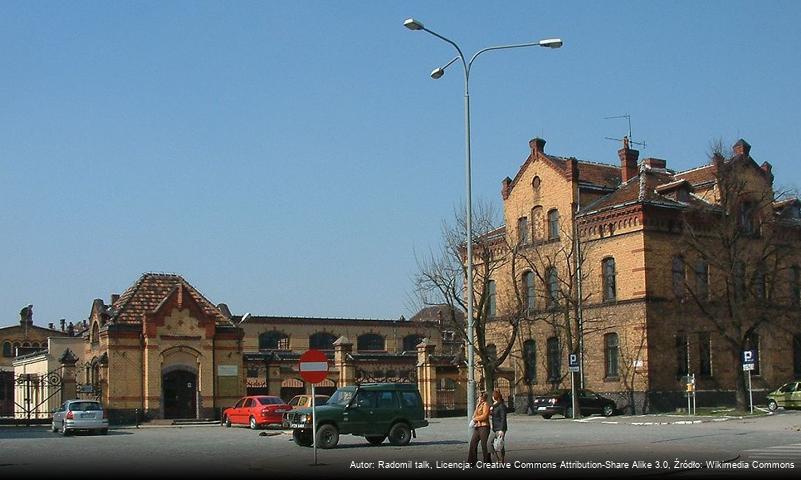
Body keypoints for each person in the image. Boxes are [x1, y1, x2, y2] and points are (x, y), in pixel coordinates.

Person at [467, 391, 491, 465]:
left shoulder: (486, 404)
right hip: (477, 427)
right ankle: (472, 461)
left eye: (480, 397)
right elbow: (475, 414)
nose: (478, 398)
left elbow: (485, 415)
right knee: (473, 443)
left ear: (483, 398)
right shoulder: (479, 405)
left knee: (484, 445)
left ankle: (487, 462)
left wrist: (475, 419)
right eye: (478, 397)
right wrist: (474, 418)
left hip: (484, 427)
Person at [488, 389, 508, 463]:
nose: (492, 397)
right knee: (489, 443)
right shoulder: (494, 405)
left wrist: (502, 430)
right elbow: (493, 415)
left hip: (500, 428)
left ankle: (500, 460)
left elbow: (503, 418)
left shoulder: (501, 406)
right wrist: (490, 411)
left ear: (494, 397)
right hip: (494, 428)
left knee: (499, 445)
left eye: (493, 396)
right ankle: (497, 459)